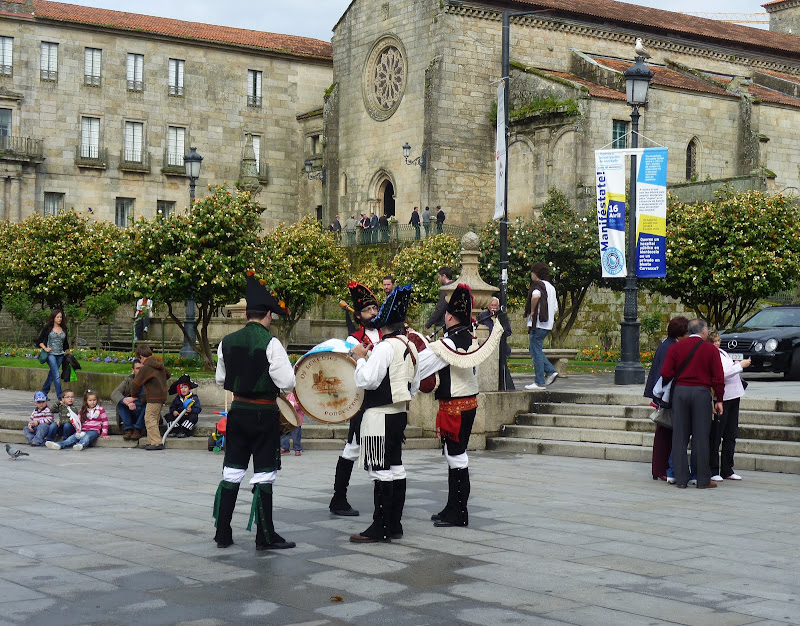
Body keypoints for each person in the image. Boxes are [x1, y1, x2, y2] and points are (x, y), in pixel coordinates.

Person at [213, 274, 296, 550]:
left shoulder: (226, 341)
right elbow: (287, 383)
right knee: (264, 473)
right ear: (268, 315)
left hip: (237, 413)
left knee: (232, 471)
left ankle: (222, 533)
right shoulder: (271, 343)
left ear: (247, 314)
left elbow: (221, 380)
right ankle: (265, 535)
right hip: (264, 415)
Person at [349, 284, 420, 543]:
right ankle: (394, 524)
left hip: (378, 416)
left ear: (384, 325)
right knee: (396, 467)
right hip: (399, 413)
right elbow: (416, 383)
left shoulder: (384, 347)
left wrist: (359, 358)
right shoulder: (410, 345)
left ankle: (380, 527)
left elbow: (368, 380)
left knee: (380, 471)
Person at [417, 284, 480, 527]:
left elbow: (419, 366)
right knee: (454, 455)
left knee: (456, 457)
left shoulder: (448, 344)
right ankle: (452, 507)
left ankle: (459, 513)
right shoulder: (471, 336)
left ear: (450, 315)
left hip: (455, 408)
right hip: (468, 404)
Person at [329, 282, 382, 516]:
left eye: (375, 308)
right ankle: (339, 498)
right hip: (364, 402)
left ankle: (381, 500)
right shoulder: (353, 340)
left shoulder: (386, 334)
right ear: (359, 315)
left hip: (384, 400)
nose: (374, 312)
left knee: (374, 450)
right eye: (369, 309)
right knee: (356, 449)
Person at [660, 318, 724, 490]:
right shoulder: (710, 349)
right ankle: (702, 479)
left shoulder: (676, 347)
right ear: (703, 332)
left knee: (679, 436)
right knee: (701, 437)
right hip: (701, 394)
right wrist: (719, 400)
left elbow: (665, 372)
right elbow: (718, 378)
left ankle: (681, 478)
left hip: (680, 393)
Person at [643, 316, 689, 481]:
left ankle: (660, 468)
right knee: (665, 432)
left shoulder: (667, 345)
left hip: (661, 395)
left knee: (664, 432)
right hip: (665, 397)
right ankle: (661, 468)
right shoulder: (671, 347)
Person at [708, 331, 750, 482]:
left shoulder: (723, 353)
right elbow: (721, 374)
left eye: (719, 340)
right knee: (716, 434)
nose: (717, 343)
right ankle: (713, 468)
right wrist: (740, 366)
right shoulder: (712, 354)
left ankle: (727, 468)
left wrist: (737, 365)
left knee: (731, 433)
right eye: (714, 341)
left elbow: (728, 368)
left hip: (734, 395)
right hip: (722, 397)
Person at [128, 344, 171, 451]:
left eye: (139, 358)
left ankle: (156, 442)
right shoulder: (158, 363)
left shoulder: (147, 367)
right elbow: (168, 374)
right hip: (161, 395)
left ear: (141, 356)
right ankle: (150, 441)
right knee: (154, 419)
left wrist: (133, 395)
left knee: (149, 418)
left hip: (153, 396)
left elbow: (136, 383)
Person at [524, 262, 559, 390]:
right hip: (547, 324)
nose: (531, 275)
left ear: (536, 274)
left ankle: (540, 381)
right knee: (534, 349)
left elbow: (535, 296)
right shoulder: (551, 287)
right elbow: (555, 307)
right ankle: (550, 371)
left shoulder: (538, 285)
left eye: (532, 273)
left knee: (536, 351)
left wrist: (533, 311)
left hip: (538, 323)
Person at [480, 297, 514, 390]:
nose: (493, 308)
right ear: (488, 306)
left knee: (502, 367)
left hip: (500, 346)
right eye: (492, 305)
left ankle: (506, 386)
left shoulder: (503, 317)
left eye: (495, 305)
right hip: (487, 345)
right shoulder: (483, 316)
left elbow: (508, 331)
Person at [36, 309, 69, 401]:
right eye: (57, 317)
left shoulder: (64, 329)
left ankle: (43, 393)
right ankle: (60, 397)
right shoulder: (48, 328)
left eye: (61, 317)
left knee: (52, 374)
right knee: (56, 374)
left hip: (60, 354)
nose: (59, 319)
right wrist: (45, 348)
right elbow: (39, 341)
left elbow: (65, 343)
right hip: (51, 354)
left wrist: (69, 354)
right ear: (53, 318)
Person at [111, 359, 145, 441]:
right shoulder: (129, 380)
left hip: (142, 410)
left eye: (142, 368)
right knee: (120, 403)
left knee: (148, 405)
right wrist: (126, 401)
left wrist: (133, 399)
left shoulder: (148, 380)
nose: (140, 371)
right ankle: (128, 429)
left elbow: (148, 397)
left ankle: (138, 430)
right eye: (137, 368)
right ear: (133, 370)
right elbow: (114, 394)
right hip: (130, 410)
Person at [167, 374, 203, 438]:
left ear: (189, 388)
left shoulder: (193, 398)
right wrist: (174, 411)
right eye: (181, 388)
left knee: (193, 417)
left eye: (185, 387)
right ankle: (175, 430)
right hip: (179, 416)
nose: (183, 389)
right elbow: (172, 407)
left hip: (188, 416)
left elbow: (198, 409)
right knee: (169, 416)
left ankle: (184, 431)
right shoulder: (177, 398)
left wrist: (192, 410)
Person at [424, 266, 455, 331]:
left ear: (444, 276)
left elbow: (440, 308)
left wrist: (428, 324)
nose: (438, 279)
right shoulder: (456, 286)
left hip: (446, 323)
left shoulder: (446, 289)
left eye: (439, 277)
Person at [280, 391, 304, 456]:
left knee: (296, 435)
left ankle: (297, 449)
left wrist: (290, 404)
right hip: (288, 419)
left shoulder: (300, 396)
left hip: (297, 419)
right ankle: (285, 447)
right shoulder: (289, 395)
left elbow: (298, 405)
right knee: (285, 434)